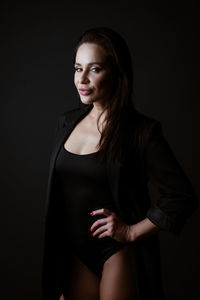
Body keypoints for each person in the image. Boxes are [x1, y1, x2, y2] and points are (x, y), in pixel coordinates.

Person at [42, 27, 198, 300]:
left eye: (95, 69)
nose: (83, 79)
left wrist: (131, 232)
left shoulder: (141, 132)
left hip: (115, 252)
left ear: (116, 72)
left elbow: (181, 196)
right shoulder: (66, 122)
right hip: (73, 253)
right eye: (78, 68)